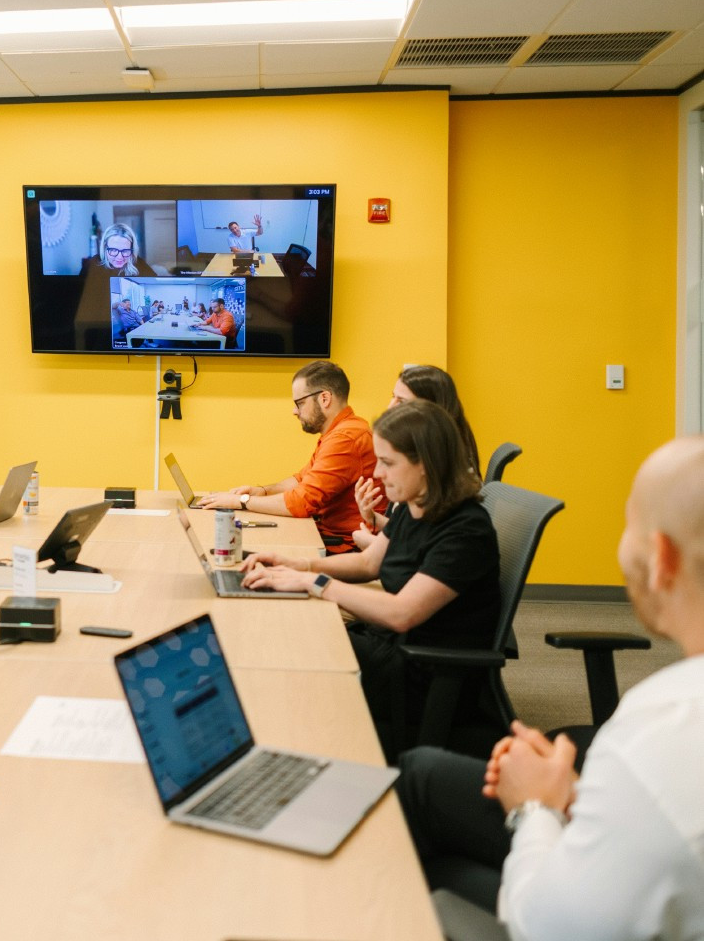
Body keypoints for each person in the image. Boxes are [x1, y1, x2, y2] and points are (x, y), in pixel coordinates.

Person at [396, 436, 704, 938]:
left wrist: (535, 806)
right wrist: (573, 795)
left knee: (429, 869)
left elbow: (542, 924)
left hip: (551, 914)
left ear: (661, 558)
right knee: (421, 774)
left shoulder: (659, 732)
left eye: (629, 524)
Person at [241, 399, 501, 759]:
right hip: (391, 644)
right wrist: (299, 565)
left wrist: (313, 585)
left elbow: (402, 613)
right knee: (291, 630)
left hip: (422, 670)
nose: (378, 474)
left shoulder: (465, 530)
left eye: (389, 463)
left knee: (294, 642)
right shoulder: (417, 503)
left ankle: (289, 748)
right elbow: (367, 564)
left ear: (426, 464)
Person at [200, 360, 379, 553]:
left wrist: (241, 502)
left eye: (300, 403)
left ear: (325, 398)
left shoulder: (345, 439)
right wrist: (262, 491)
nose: (295, 411)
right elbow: (300, 480)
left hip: (343, 548)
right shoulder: (342, 431)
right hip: (326, 536)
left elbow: (302, 503)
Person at [354, 364, 482, 547]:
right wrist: (373, 518)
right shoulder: (438, 453)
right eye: (393, 397)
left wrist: (374, 547)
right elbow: (413, 532)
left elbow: (421, 547)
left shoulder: (441, 468)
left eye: (402, 401)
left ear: (429, 409)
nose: (390, 407)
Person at [84, 222, 158, 278]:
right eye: (113, 250)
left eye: (125, 251)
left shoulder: (139, 263)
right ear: (105, 247)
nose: (120, 257)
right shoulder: (92, 265)